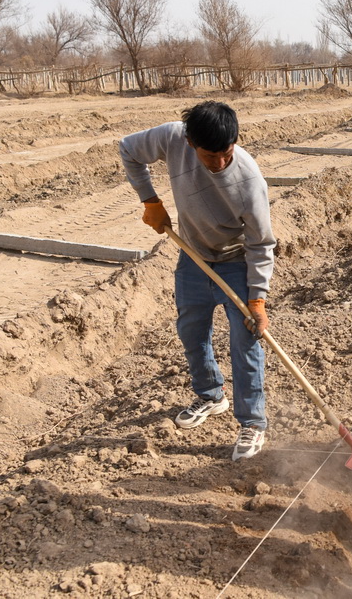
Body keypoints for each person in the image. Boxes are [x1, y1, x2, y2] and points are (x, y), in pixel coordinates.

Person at [120, 101, 276, 462]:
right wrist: (150, 200)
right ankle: (210, 396)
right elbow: (128, 149)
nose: (220, 163)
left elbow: (261, 243)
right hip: (192, 257)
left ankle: (253, 422)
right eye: (211, 156)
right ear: (191, 143)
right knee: (191, 331)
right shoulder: (174, 138)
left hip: (236, 262)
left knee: (246, 342)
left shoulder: (249, 180)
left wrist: (257, 299)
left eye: (227, 153)